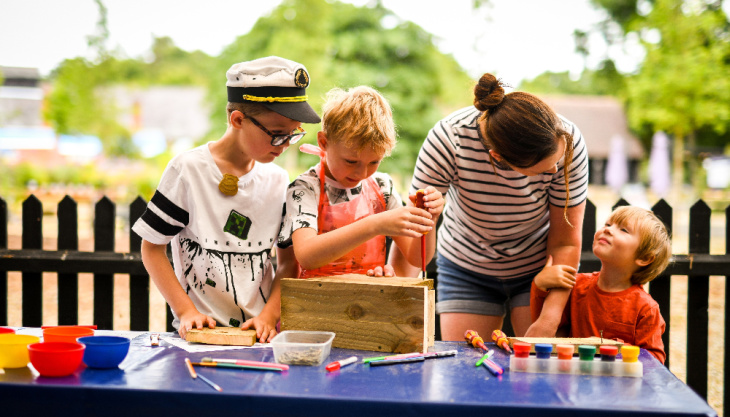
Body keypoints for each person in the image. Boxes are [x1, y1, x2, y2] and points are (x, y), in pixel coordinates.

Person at [132, 56, 321, 341]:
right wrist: (185, 312)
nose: (284, 145)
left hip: (260, 338)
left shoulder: (279, 180)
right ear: (237, 120)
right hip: (200, 336)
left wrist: (268, 316)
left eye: (292, 135)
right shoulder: (188, 171)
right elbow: (151, 248)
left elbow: (287, 263)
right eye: (277, 135)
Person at [408, 73, 589, 340]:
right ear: (498, 158)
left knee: (537, 370)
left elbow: (565, 242)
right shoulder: (448, 139)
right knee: (468, 370)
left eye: (556, 162)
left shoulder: (568, 141)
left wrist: (550, 318)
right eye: (541, 170)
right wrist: (430, 215)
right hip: (465, 265)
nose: (554, 170)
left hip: (537, 267)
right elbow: (416, 250)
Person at [278, 86, 444, 278]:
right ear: (323, 142)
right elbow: (307, 256)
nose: (362, 172)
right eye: (351, 161)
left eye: (374, 162)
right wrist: (374, 224)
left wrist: (429, 217)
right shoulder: (305, 188)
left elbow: (419, 260)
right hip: (316, 302)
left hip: (368, 302)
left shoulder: (382, 188)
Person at [530, 206, 671, 363]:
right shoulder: (575, 285)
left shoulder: (646, 308)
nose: (608, 230)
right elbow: (546, 331)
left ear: (644, 258)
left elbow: (654, 361)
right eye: (608, 224)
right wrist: (540, 285)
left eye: (624, 230)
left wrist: (615, 350)